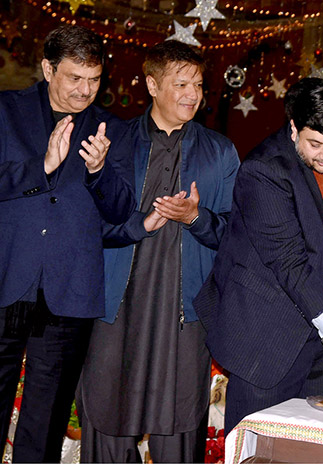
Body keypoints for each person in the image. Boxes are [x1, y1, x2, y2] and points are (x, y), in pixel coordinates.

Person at [76, 41, 240, 462]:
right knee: (106, 419)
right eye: (181, 83)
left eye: (198, 85)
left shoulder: (219, 152)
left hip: (183, 313)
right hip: (114, 307)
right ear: (152, 84)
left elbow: (237, 236)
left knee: (179, 427)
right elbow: (90, 227)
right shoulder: (113, 141)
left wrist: (195, 218)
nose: (192, 94)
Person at [194, 78, 323, 433]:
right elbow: (289, 261)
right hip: (268, 339)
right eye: (315, 144)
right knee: (257, 450)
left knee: (309, 450)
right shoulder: (264, 170)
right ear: (293, 128)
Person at [0, 25, 135, 461]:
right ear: (47, 68)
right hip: (7, 280)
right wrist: (41, 166)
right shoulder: (6, 109)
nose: (85, 90)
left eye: (94, 79)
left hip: (69, 291)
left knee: (46, 418)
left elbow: (121, 209)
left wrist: (98, 172)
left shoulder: (110, 128)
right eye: (75, 78)